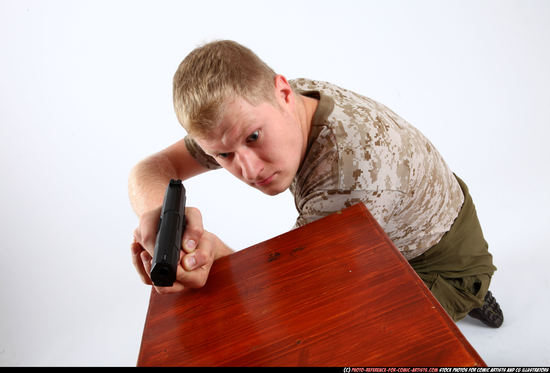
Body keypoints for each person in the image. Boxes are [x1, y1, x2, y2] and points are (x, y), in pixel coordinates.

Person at [128, 40, 503, 328]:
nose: (248, 169)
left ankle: (471, 293)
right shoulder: (260, 104)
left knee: (342, 341)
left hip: (438, 263)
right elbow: (152, 168)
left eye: (254, 137)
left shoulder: (349, 178)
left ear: (283, 93)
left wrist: (204, 255)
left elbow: (285, 293)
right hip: (400, 214)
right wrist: (159, 219)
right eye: (224, 156)